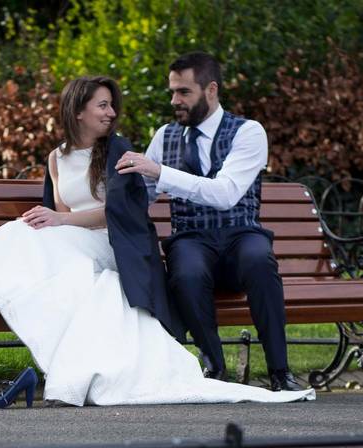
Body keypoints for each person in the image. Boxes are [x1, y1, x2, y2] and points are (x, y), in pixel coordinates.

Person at [0, 75, 314, 406]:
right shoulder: (55, 158)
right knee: (29, 235)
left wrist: (61, 219)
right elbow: (60, 216)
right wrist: (57, 221)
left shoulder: (117, 149)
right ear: (78, 110)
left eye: (112, 106)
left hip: (113, 244)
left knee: (36, 240)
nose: (111, 113)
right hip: (75, 242)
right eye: (102, 105)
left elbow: (121, 211)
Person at [116, 52, 305, 392]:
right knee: (185, 271)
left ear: (211, 90)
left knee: (259, 259)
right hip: (191, 238)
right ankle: (214, 369)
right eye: (172, 92)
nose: (175, 101)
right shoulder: (165, 136)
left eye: (184, 92)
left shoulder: (248, 132)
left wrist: (160, 172)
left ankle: (281, 371)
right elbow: (140, 195)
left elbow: (226, 193)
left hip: (240, 236)